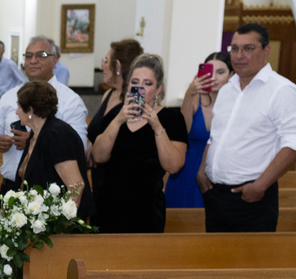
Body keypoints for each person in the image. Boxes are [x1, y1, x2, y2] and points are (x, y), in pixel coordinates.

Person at [199, 23, 296, 232]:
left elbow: (294, 145)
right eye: (235, 49)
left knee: (250, 254)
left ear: (266, 50)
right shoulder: (227, 89)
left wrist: (260, 185)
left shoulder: (281, 89)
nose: (239, 55)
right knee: (213, 253)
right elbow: (215, 136)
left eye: (248, 48)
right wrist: (203, 169)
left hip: (252, 197)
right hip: (215, 195)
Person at [88, 54, 188, 233]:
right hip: (108, 206)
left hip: (146, 210)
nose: (139, 88)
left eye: (147, 83)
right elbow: (98, 157)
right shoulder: (115, 115)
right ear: (128, 86)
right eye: (135, 82)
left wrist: (157, 126)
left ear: (158, 89)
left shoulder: (171, 118)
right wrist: (118, 121)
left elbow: (173, 166)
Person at [0, 36, 88, 194]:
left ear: (55, 60)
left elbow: (78, 145)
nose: (33, 61)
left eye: (41, 55)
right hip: (10, 187)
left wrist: (34, 141)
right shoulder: (9, 96)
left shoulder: (70, 100)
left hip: (49, 191)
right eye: (28, 56)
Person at [10, 81, 92, 216]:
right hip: (40, 219)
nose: (16, 112)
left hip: (60, 223)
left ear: (30, 110)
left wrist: (63, 221)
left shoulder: (58, 134)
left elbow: (76, 186)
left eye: (19, 106)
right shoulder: (35, 134)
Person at [165, 51, 232, 208]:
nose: (214, 77)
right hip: (188, 168)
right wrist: (189, 93)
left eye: (220, 72)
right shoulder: (195, 97)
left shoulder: (234, 103)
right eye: (210, 71)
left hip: (219, 169)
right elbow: (182, 132)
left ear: (231, 75)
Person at [87, 39, 144, 204]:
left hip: (122, 182)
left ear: (117, 66)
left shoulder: (135, 102)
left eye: (105, 61)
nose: (101, 67)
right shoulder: (108, 95)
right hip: (99, 178)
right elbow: (98, 131)